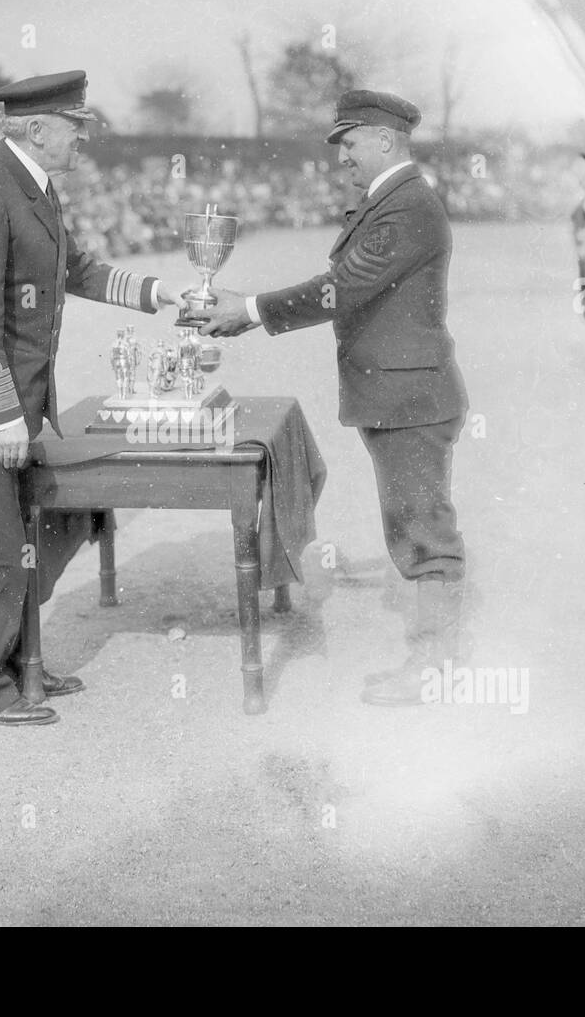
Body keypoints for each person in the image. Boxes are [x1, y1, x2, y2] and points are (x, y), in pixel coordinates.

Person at [0, 70, 187, 727]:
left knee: (19, 542)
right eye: (77, 129)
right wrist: (3, 415)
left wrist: (157, 294)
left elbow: (78, 269)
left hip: (4, 403)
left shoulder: (29, 184)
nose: (82, 142)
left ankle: (20, 667)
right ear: (38, 130)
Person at [198, 89, 470, 707]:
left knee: (423, 531)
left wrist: (250, 310)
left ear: (385, 140)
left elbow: (340, 288)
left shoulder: (408, 207)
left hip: (411, 399)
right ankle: (434, 660)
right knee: (412, 524)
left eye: (349, 144)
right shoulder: (391, 202)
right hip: (399, 394)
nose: (342, 157)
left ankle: (434, 668)